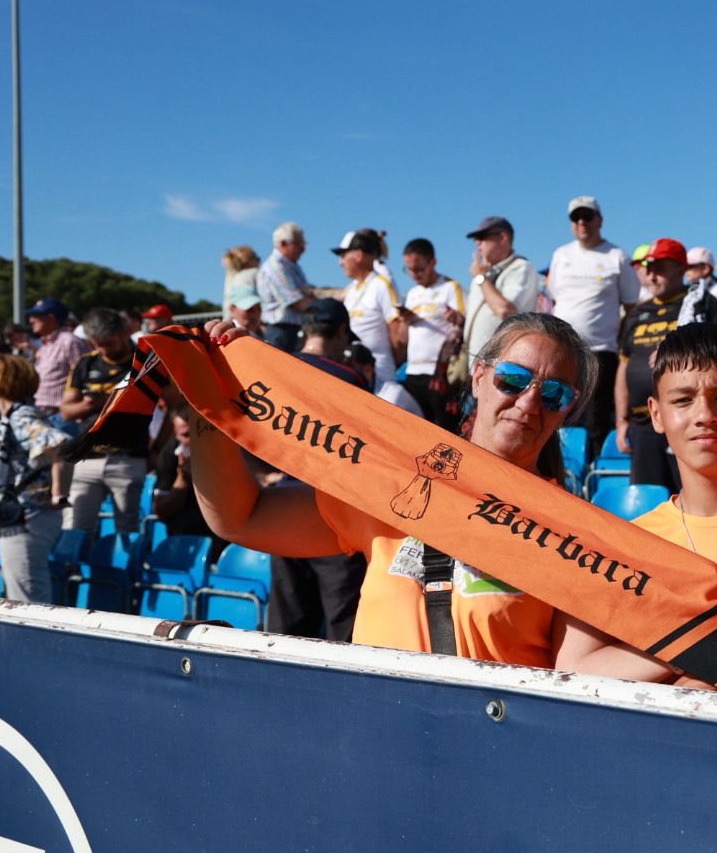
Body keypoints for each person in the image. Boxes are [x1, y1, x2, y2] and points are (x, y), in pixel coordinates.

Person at [188, 311, 598, 664]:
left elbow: (576, 675)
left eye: (554, 394)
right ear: (478, 377)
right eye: (513, 379)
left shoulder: (570, 535)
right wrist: (210, 401)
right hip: (378, 731)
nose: (529, 402)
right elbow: (240, 518)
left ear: (566, 411)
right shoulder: (397, 482)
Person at [556, 322, 717, 684]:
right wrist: (698, 637)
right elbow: (573, 670)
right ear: (656, 414)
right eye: (682, 400)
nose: (704, 415)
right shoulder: (630, 543)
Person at [260, 297, 371, 642]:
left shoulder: (274, 368)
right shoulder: (348, 377)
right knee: (344, 633)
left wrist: (262, 476)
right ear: (340, 332)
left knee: (286, 632)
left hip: (284, 511)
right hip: (333, 518)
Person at [615, 238, 717, 487]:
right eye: (648, 268)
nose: (652, 275)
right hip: (644, 424)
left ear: (680, 269)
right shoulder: (636, 313)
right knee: (649, 501)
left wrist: (676, 354)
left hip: (689, 423)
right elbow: (623, 367)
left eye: (660, 268)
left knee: (695, 498)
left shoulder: (704, 305)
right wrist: (621, 420)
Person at [0, 353, 69, 603]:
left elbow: (60, 446)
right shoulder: (6, 417)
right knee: (20, 592)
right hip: (17, 517)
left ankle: (37, 643)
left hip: (27, 516)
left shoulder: (20, 415)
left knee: (28, 598)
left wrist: (58, 493)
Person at [546, 197, 638, 447]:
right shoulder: (560, 255)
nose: (582, 222)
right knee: (560, 416)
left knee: (597, 420)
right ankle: (561, 476)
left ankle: (594, 477)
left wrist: (620, 339)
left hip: (601, 352)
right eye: (576, 218)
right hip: (563, 350)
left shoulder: (617, 256)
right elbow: (554, 296)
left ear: (600, 220)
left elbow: (631, 305)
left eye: (587, 216)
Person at [60, 308, 148, 533]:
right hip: (87, 459)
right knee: (76, 528)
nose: (103, 350)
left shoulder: (145, 361)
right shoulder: (84, 363)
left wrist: (156, 447)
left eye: (108, 343)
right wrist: (91, 405)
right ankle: (74, 569)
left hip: (127, 458)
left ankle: (123, 569)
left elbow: (170, 404)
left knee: (127, 529)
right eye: (97, 344)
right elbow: (66, 411)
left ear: (123, 333)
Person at [396, 237, 465, 429]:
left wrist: (457, 319)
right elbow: (403, 339)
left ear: (432, 262)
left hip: (440, 375)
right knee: (415, 430)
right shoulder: (412, 294)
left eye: (419, 268)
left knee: (445, 430)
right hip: (412, 371)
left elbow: (463, 323)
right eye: (408, 269)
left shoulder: (451, 287)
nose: (414, 274)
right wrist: (405, 321)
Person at [463, 216, 539, 369]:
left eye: (482, 237)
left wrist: (481, 278)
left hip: (502, 366)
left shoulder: (521, 267)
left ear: (503, 238)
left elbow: (506, 311)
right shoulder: (483, 275)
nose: (477, 243)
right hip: (476, 367)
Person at [333, 228, 402, 388]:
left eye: (343, 256)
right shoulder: (351, 289)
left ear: (358, 255)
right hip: (355, 371)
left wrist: (395, 360)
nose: (340, 262)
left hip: (380, 373)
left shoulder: (382, 284)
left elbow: (395, 328)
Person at [152, 404, 219, 542]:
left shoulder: (222, 449)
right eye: (187, 435)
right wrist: (182, 480)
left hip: (221, 531)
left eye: (199, 432)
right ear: (175, 433)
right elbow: (161, 511)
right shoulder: (169, 455)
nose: (194, 441)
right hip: (183, 534)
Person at [257, 221, 314, 351]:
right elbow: (298, 302)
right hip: (282, 332)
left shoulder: (291, 266)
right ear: (283, 244)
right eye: (299, 244)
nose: (303, 248)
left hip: (290, 331)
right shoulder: (276, 267)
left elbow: (306, 294)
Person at [27, 297, 84, 419]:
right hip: (44, 413)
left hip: (61, 415)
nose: (31, 320)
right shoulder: (46, 345)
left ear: (51, 318)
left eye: (36, 316)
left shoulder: (69, 342)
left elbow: (83, 378)